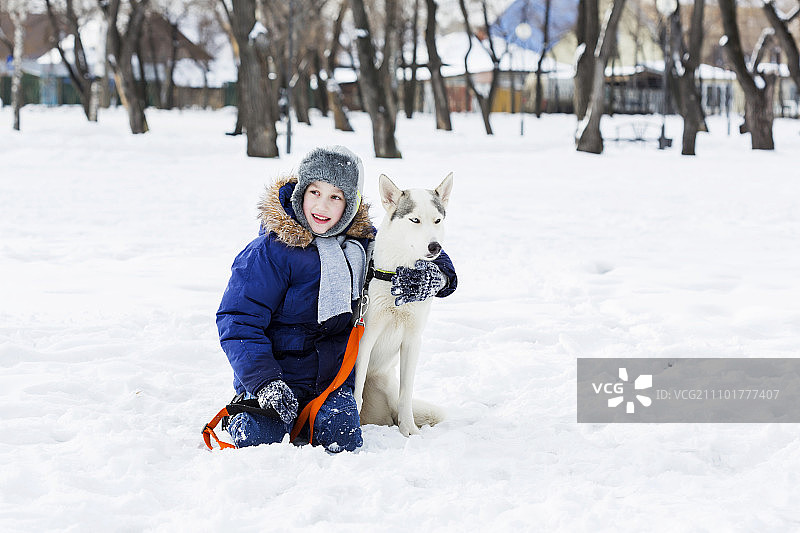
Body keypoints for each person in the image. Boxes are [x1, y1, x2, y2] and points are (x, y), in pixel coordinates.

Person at [216, 146, 457, 452]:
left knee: (344, 437)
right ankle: (246, 410)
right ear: (300, 193)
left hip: (329, 381)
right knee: (259, 439)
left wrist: (441, 275)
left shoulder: (360, 242)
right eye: (315, 192)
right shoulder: (269, 251)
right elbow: (238, 321)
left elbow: (418, 244)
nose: (323, 206)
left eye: (336, 197)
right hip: (274, 377)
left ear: (349, 204)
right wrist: (264, 382)